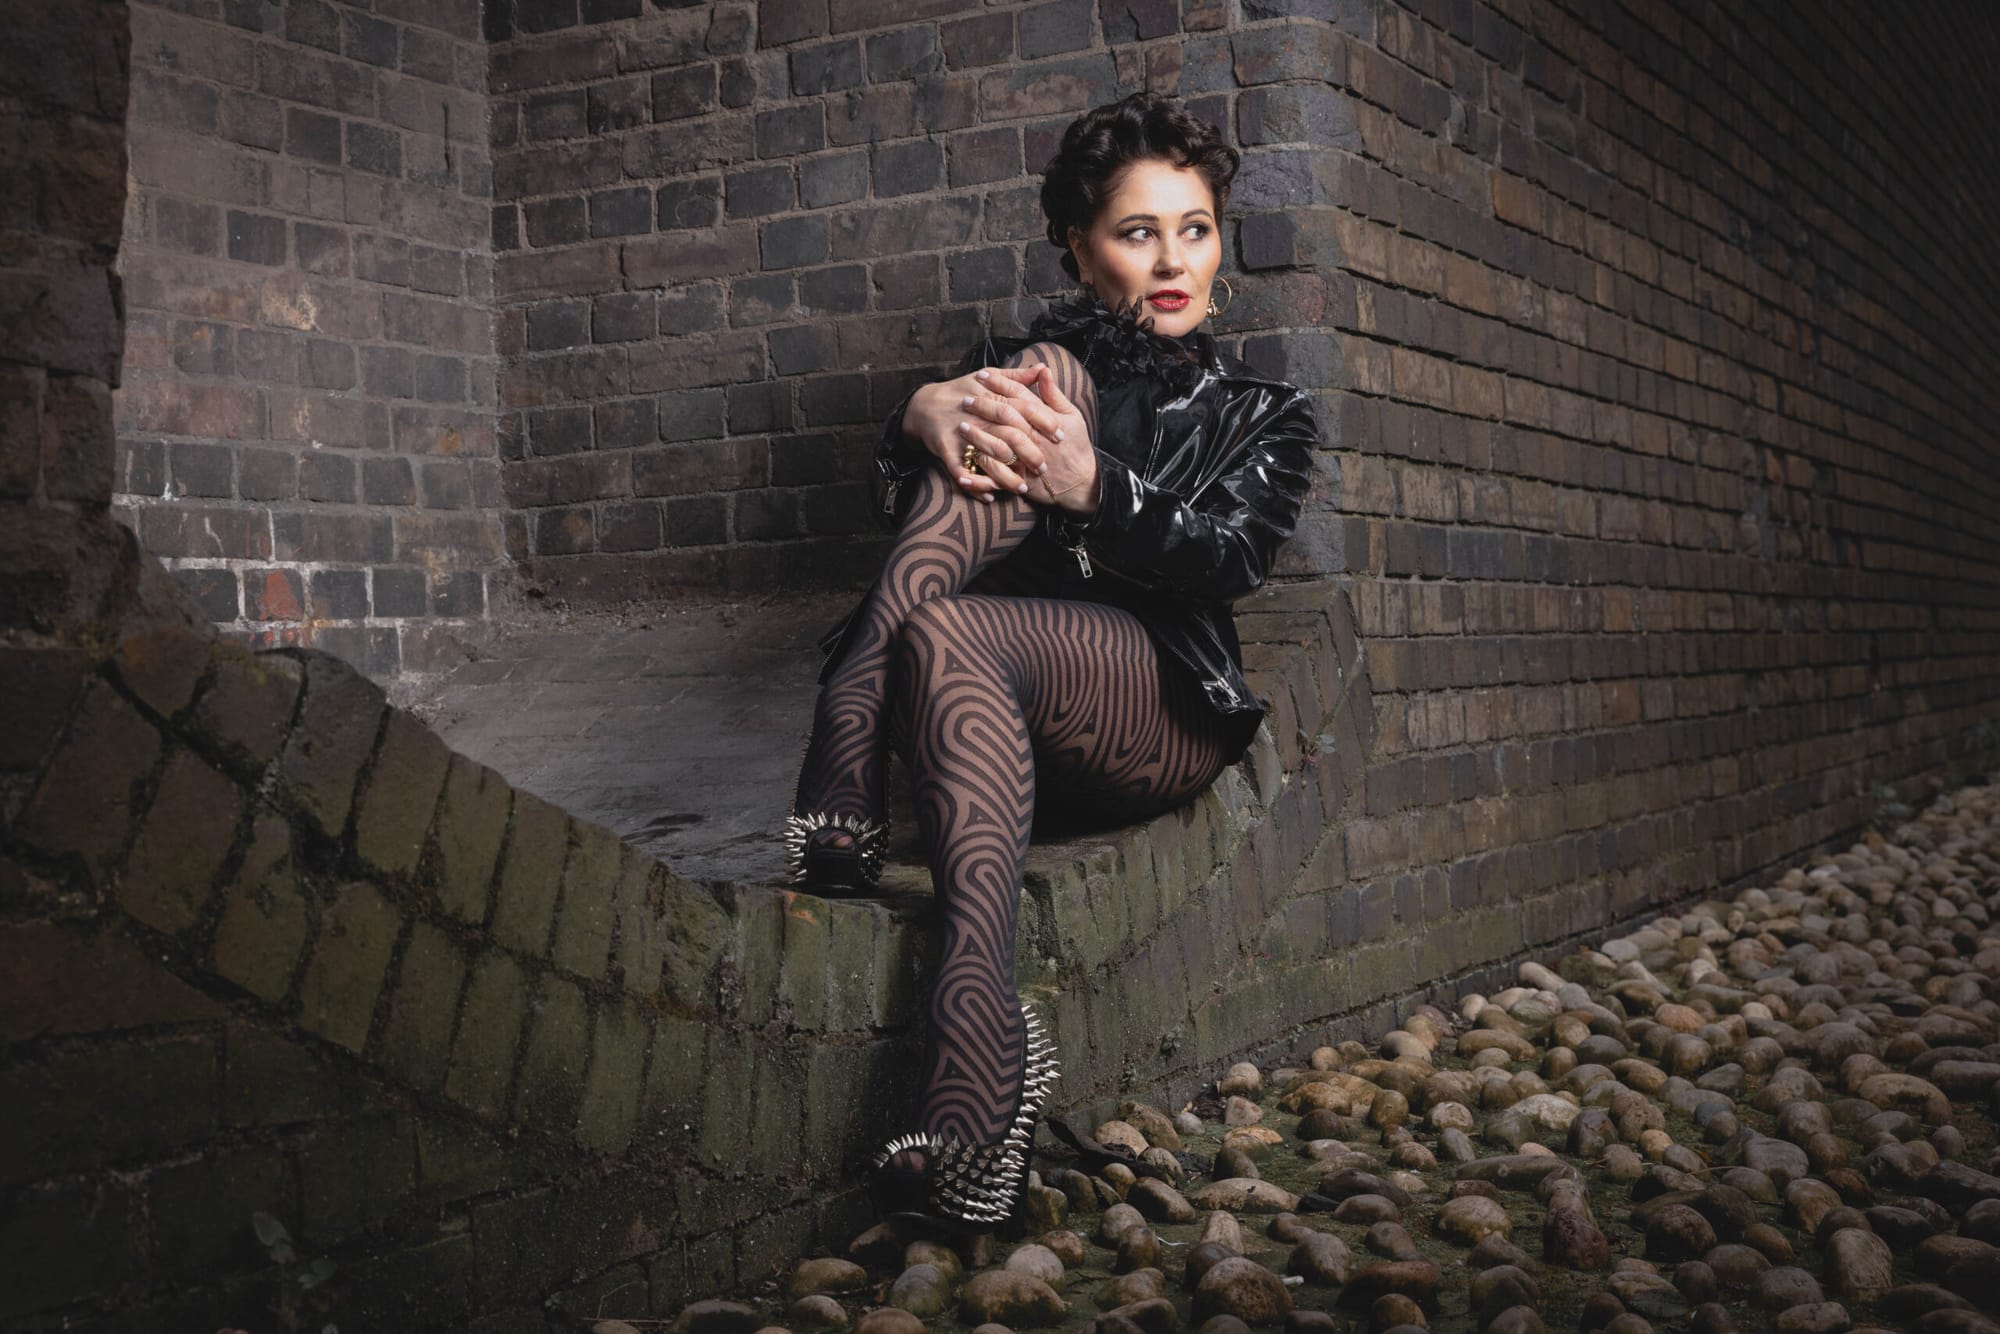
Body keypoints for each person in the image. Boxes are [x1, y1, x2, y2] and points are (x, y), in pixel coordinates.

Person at [784, 91, 1322, 1230]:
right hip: (977, 703)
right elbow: (916, 509)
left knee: (1027, 398)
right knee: (1029, 391)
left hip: (1150, 705)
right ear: (1081, 251)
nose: (1172, 260)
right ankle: (983, 1038)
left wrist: (1093, 487)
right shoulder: (1013, 373)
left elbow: (1229, 558)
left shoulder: (1261, 411)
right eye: (1138, 232)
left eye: (1194, 228)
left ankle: (848, 714)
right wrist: (917, 416)